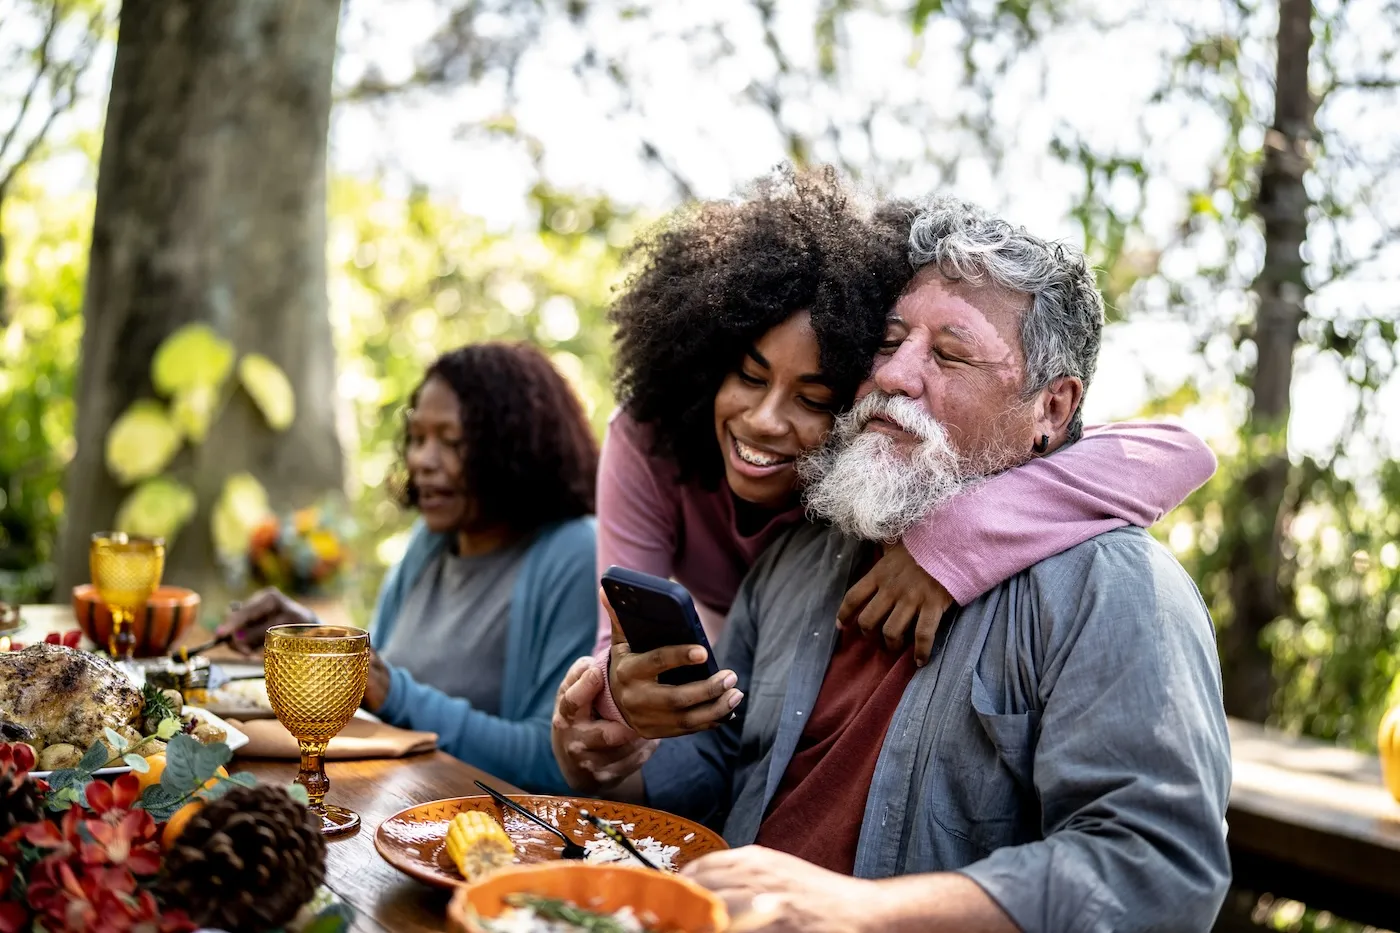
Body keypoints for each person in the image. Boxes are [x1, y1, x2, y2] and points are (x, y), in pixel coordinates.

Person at [558, 196, 1231, 933]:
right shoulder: (800, 556)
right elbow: (716, 768)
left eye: (947, 354)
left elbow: (1159, 871)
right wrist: (620, 760)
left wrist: (868, 910)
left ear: (1052, 407)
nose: (896, 374)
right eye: (889, 340)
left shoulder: (1112, 589)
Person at [219, 343, 598, 793]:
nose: (422, 460)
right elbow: (381, 680)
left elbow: (554, 760)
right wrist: (317, 639)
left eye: (451, 442)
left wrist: (388, 688)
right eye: (417, 438)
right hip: (393, 801)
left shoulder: (574, 552)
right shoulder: (432, 540)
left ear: (517, 449)